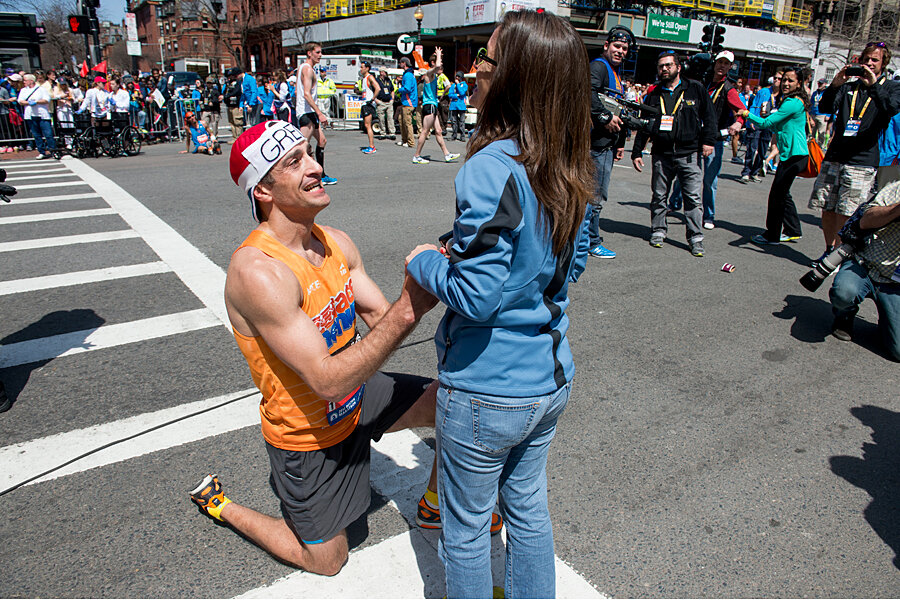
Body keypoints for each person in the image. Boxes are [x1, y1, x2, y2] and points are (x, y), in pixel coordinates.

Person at [190, 119, 441, 577]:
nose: (315, 167)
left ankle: (435, 503)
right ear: (263, 192)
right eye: (294, 162)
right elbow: (327, 381)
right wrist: (409, 309)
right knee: (327, 561)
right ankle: (221, 505)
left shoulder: (334, 241)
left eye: (310, 153)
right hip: (308, 433)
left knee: (459, 407)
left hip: (359, 395)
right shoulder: (259, 272)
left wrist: (438, 274)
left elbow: (379, 321)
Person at [405, 11, 590, 597]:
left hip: (487, 386)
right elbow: (572, 266)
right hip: (549, 376)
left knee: (465, 531)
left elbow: (476, 295)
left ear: (513, 79)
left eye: (484, 60)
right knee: (529, 510)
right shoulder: (570, 162)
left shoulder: (491, 167)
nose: (473, 73)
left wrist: (423, 262)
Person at [808, 41, 900, 266]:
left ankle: (838, 257)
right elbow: (826, 108)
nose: (868, 64)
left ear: (883, 63)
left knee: (847, 211)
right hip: (835, 155)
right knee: (827, 207)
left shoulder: (889, 87)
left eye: (874, 60)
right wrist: (835, 85)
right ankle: (829, 248)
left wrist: (874, 84)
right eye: (865, 59)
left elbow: (891, 108)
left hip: (862, 159)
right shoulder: (850, 86)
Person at [631, 51, 716, 257]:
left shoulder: (695, 89)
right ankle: (658, 230)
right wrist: (637, 151)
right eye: (661, 66)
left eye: (668, 65)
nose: (664, 69)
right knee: (659, 196)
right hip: (662, 153)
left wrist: (708, 141)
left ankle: (695, 237)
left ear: (678, 67)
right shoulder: (653, 94)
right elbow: (644, 125)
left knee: (693, 199)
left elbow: (709, 117)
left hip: (690, 153)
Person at [828, 180, 900, 361]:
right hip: (865, 265)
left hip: (895, 283)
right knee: (844, 293)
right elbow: (866, 220)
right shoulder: (897, 189)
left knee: (898, 351)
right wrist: (897, 209)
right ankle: (844, 316)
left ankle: (888, 323)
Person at [738, 66, 808, 246]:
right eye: (784, 79)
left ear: (799, 83)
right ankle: (793, 230)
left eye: (790, 80)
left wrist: (747, 113)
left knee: (777, 196)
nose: (785, 83)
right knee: (783, 194)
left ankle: (773, 235)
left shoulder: (792, 102)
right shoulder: (791, 100)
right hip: (792, 154)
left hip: (794, 155)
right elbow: (776, 126)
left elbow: (767, 122)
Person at [587, 26, 633, 260]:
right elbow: (588, 93)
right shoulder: (599, 66)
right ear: (606, 45)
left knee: (593, 194)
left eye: (624, 48)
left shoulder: (613, 73)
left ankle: (585, 238)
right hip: (596, 144)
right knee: (595, 195)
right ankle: (591, 241)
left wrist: (620, 143)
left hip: (606, 144)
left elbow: (619, 110)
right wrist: (605, 119)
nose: (620, 51)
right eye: (617, 46)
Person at [297, 42, 336, 185]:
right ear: (309, 53)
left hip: (310, 112)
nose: (320, 55)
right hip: (306, 113)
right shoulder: (307, 69)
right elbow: (306, 94)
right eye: (318, 52)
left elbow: (299, 91)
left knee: (322, 141)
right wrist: (320, 113)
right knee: (301, 147)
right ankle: (300, 178)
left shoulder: (304, 68)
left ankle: (322, 175)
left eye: (321, 52)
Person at [411, 49, 460, 165]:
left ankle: (447, 154)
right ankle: (416, 155)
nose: (441, 65)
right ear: (433, 63)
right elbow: (438, 66)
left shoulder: (433, 75)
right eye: (439, 62)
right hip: (429, 105)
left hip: (433, 105)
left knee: (438, 131)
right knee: (425, 131)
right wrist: (438, 55)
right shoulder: (429, 73)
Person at [741, 72, 781, 183]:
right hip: (758, 121)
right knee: (751, 148)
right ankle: (746, 172)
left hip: (770, 125)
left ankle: (755, 172)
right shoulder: (764, 91)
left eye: (779, 78)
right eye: (775, 78)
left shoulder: (782, 96)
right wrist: (752, 119)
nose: (776, 80)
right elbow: (754, 105)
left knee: (763, 150)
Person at [18, 73, 56, 159]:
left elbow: (47, 99)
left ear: (31, 81)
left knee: (48, 134)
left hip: (42, 115)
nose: (24, 82)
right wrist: (28, 103)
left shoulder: (41, 89)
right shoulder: (23, 90)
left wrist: (37, 102)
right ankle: (41, 151)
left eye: (25, 80)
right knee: (36, 135)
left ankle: (53, 150)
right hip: (30, 115)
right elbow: (20, 100)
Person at [354, 61, 381, 155]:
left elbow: (378, 88)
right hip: (364, 103)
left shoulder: (370, 77)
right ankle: (370, 146)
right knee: (366, 125)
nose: (361, 69)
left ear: (367, 68)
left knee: (368, 125)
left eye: (362, 67)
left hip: (368, 104)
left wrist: (372, 99)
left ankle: (372, 146)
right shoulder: (364, 79)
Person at [397, 56, 417, 148]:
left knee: (407, 123)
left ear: (404, 63)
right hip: (406, 102)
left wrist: (399, 89)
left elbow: (407, 88)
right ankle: (404, 140)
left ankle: (410, 142)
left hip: (408, 102)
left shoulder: (408, 75)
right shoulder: (409, 74)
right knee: (402, 121)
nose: (400, 64)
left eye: (401, 63)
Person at [374, 68, 396, 141]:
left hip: (389, 102)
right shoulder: (376, 81)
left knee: (390, 118)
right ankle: (382, 133)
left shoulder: (388, 80)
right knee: (381, 119)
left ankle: (392, 133)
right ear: (381, 72)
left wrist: (392, 98)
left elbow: (392, 90)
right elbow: (373, 90)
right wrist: (376, 100)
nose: (386, 74)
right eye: (385, 72)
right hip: (381, 101)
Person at [810, 77, 832, 146]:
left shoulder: (827, 93)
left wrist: (828, 115)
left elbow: (830, 105)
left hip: (822, 115)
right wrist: (810, 115)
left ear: (825, 84)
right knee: (811, 133)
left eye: (821, 83)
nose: (819, 84)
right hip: (814, 114)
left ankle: (819, 147)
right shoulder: (815, 93)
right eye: (818, 83)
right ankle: (811, 147)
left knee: (821, 132)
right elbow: (811, 103)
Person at [224, 67, 244, 138]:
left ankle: (239, 137)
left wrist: (229, 95)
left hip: (236, 105)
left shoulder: (238, 83)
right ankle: (234, 137)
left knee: (238, 122)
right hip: (229, 105)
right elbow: (224, 92)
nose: (230, 77)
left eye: (231, 76)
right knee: (231, 122)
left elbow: (237, 91)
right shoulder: (227, 83)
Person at [448, 70, 467, 141]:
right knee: (454, 121)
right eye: (456, 76)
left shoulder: (464, 85)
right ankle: (454, 134)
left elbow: (462, 92)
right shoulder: (453, 85)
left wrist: (458, 84)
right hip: (454, 105)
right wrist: (456, 95)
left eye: (458, 76)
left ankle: (462, 135)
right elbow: (450, 95)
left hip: (461, 105)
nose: (457, 78)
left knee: (462, 121)